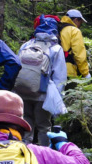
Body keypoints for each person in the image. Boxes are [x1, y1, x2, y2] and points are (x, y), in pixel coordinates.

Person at [13, 15, 67, 146]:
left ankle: (24, 151)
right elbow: (60, 76)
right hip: (42, 94)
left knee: (26, 123)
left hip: (22, 90)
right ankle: (44, 154)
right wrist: (57, 99)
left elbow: (16, 65)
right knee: (43, 126)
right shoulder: (56, 48)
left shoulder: (27, 44)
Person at [59, 8, 91, 79]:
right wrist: (86, 73)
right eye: (80, 22)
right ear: (76, 19)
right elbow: (79, 55)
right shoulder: (74, 31)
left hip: (52, 69)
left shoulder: (58, 28)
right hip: (67, 70)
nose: (80, 25)